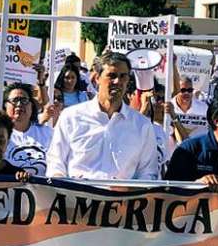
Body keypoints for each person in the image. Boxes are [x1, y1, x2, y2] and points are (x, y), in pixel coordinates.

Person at [46, 51, 159, 180]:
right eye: (111, 75)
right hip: (77, 197)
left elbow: (148, 172)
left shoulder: (142, 125)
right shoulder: (71, 117)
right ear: (97, 78)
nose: (117, 81)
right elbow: (56, 163)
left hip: (122, 199)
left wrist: (129, 192)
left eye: (123, 76)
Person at [170, 77, 209, 141]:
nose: (187, 93)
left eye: (190, 90)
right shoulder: (169, 107)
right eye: (183, 90)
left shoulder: (204, 108)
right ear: (177, 90)